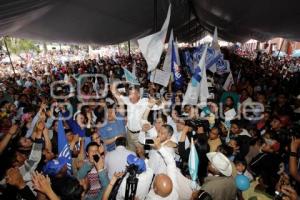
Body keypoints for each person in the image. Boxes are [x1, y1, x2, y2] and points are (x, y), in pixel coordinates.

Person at [111, 83, 153, 151]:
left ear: (138, 94)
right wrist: (114, 84)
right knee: (130, 151)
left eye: (132, 94)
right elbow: (116, 93)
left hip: (139, 134)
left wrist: (153, 100)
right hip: (129, 133)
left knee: (140, 153)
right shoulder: (127, 100)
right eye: (129, 94)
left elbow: (160, 104)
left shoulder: (145, 102)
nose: (130, 96)